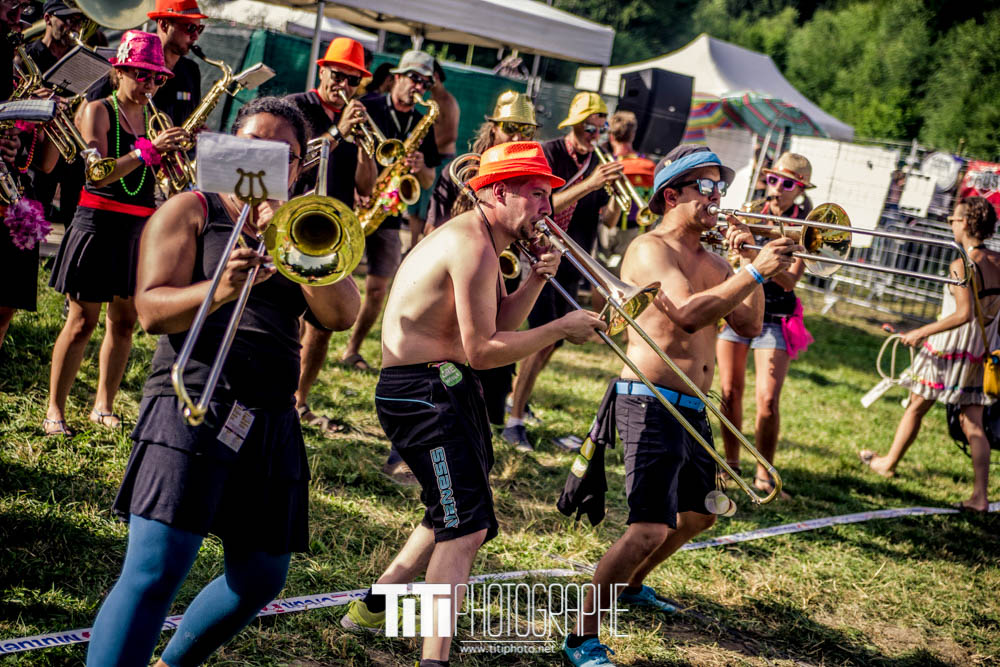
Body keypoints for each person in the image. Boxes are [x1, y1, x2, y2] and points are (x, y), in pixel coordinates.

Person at [85, 95, 361, 666]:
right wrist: (223, 288)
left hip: (270, 413)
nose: (265, 161)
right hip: (193, 397)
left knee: (261, 574)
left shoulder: (303, 221)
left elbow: (341, 314)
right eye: (252, 146)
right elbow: (152, 312)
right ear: (228, 149)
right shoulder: (190, 210)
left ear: (298, 167)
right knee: (156, 569)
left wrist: (287, 238)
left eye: (282, 154)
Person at [338, 141, 604, 666]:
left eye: (548, 195)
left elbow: (498, 324)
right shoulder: (472, 244)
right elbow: (483, 351)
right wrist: (559, 327)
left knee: (454, 513)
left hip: (441, 387)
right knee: (465, 528)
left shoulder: (483, 239)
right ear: (498, 192)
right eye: (537, 194)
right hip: (424, 393)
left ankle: (373, 608)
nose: (547, 207)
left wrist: (537, 278)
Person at [563, 145, 798, 667]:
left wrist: (748, 262)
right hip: (648, 402)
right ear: (671, 195)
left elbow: (748, 325)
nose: (718, 197)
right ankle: (581, 636)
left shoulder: (716, 262)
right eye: (706, 187)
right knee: (649, 527)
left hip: (691, 406)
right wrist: (754, 272)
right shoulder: (651, 249)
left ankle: (631, 587)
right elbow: (688, 314)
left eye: (721, 188)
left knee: (698, 516)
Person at [42, 31, 189, 436]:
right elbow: (97, 174)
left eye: (156, 78)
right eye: (142, 75)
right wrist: (147, 151)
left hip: (138, 228)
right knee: (81, 321)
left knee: (124, 323)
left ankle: (103, 405)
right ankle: (55, 409)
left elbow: (161, 179)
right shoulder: (98, 110)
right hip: (97, 223)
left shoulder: (156, 118)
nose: (149, 84)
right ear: (119, 71)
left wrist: (173, 159)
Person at [860, 197, 999, 513]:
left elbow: (963, 314)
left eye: (953, 219)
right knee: (973, 421)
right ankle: (980, 496)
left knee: (916, 406)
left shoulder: (962, 265)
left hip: (951, 349)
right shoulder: (998, 260)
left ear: (965, 223)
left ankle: (887, 463)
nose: (951, 224)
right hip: (981, 350)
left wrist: (921, 332)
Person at [502, 91, 622, 451]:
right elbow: (545, 206)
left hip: (575, 258)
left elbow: (609, 220)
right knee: (540, 337)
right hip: (543, 253)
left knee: (554, 341)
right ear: (575, 124)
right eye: (589, 128)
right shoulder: (549, 153)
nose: (594, 135)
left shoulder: (599, 161)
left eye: (600, 130)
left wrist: (617, 195)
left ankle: (517, 400)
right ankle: (514, 422)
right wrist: (591, 183)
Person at [423, 90, 539, 426]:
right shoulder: (461, 170)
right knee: (450, 356)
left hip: (504, 274)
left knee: (496, 359)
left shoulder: (529, 176)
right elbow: (433, 229)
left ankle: (483, 426)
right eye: (510, 128)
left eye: (526, 130)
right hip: (459, 272)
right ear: (493, 127)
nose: (517, 137)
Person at [285, 36, 376, 434]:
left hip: (334, 230)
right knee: (286, 319)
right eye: (338, 75)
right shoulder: (296, 108)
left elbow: (367, 185)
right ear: (322, 70)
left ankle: (300, 401)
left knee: (322, 326)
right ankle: (276, 395)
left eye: (353, 80)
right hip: (293, 221)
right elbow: (295, 161)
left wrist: (366, 147)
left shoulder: (357, 121)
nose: (344, 85)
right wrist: (338, 131)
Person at [716, 152, 815, 498]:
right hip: (739, 308)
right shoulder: (752, 212)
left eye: (787, 183)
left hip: (776, 317)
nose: (776, 188)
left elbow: (789, 281)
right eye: (773, 180)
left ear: (799, 190)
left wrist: (754, 255)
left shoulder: (806, 226)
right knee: (729, 392)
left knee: (768, 400)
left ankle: (764, 472)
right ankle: (731, 464)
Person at [342, 49, 440, 372]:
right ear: (397, 77)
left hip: (389, 210)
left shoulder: (423, 121)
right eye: (414, 78)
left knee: (378, 288)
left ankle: (352, 350)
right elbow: (343, 154)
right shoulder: (369, 106)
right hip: (354, 203)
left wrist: (421, 167)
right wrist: (355, 191)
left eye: (425, 83)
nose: (418, 87)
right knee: (330, 277)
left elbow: (428, 180)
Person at [86, 0, 206, 128]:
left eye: (199, 29)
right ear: (164, 24)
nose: (196, 36)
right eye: (190, 28)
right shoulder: (130, 64)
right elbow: (83, 116)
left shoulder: (192, 70)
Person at [406, 58, 459, 245]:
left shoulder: (448, 101)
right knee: (415, 204)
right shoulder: (431, 99)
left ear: (435, 76)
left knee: (430, 208)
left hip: (441, 160)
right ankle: (412, 245)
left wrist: (429, 148)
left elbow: (451, 135)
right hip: (427, 158)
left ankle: (424, 246)